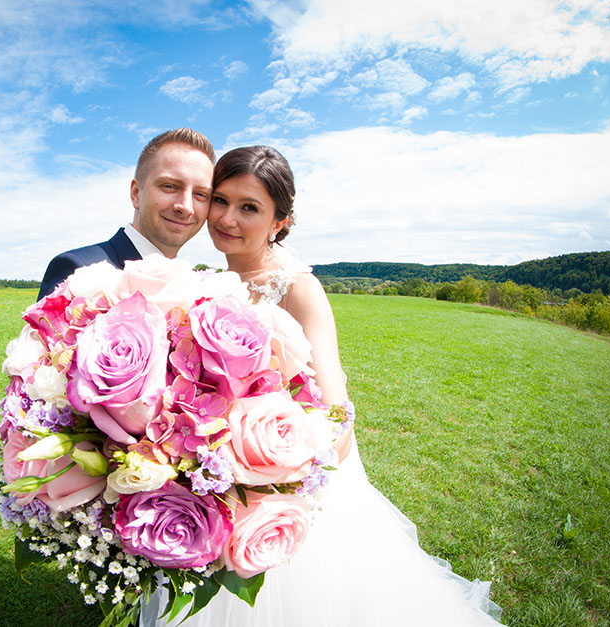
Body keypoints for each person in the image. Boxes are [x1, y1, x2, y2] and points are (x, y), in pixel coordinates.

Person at [140, 146, 502, 626]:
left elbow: (336, 414)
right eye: (222, 200)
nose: (226, 218)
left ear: (279, 222)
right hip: (216, 468)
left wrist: (268, 473)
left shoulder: (297, 287)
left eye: (249, 207)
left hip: (279, 475)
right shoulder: (206, 280)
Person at [36, 128, 215, 300]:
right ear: (136, 193)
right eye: (169, 186)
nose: (185, 207)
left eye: (200, 194)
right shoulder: (78, 271)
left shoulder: (194, 287)